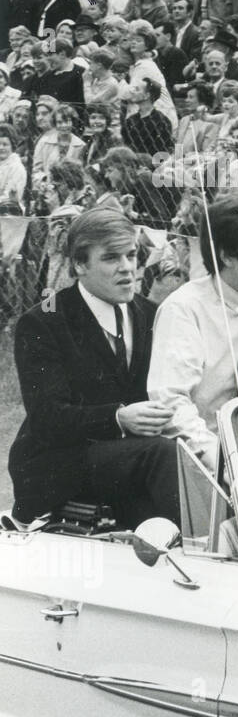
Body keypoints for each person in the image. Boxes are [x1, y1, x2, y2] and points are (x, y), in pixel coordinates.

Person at [9, 208, 179, 527]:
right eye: (112, 258)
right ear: (79, 264)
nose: (127, 268)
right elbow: (47, 418)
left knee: (160, 521)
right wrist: (117, 417)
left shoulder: (152, 314)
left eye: (131, 255)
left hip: (125, 461)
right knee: (162, 454)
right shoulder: (44, 321)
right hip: (56, 464)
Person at [148, 199, 238, 469]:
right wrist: (222, 462)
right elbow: (170, 401)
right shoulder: (184, 309)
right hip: (205, 455)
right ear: (226, 256)